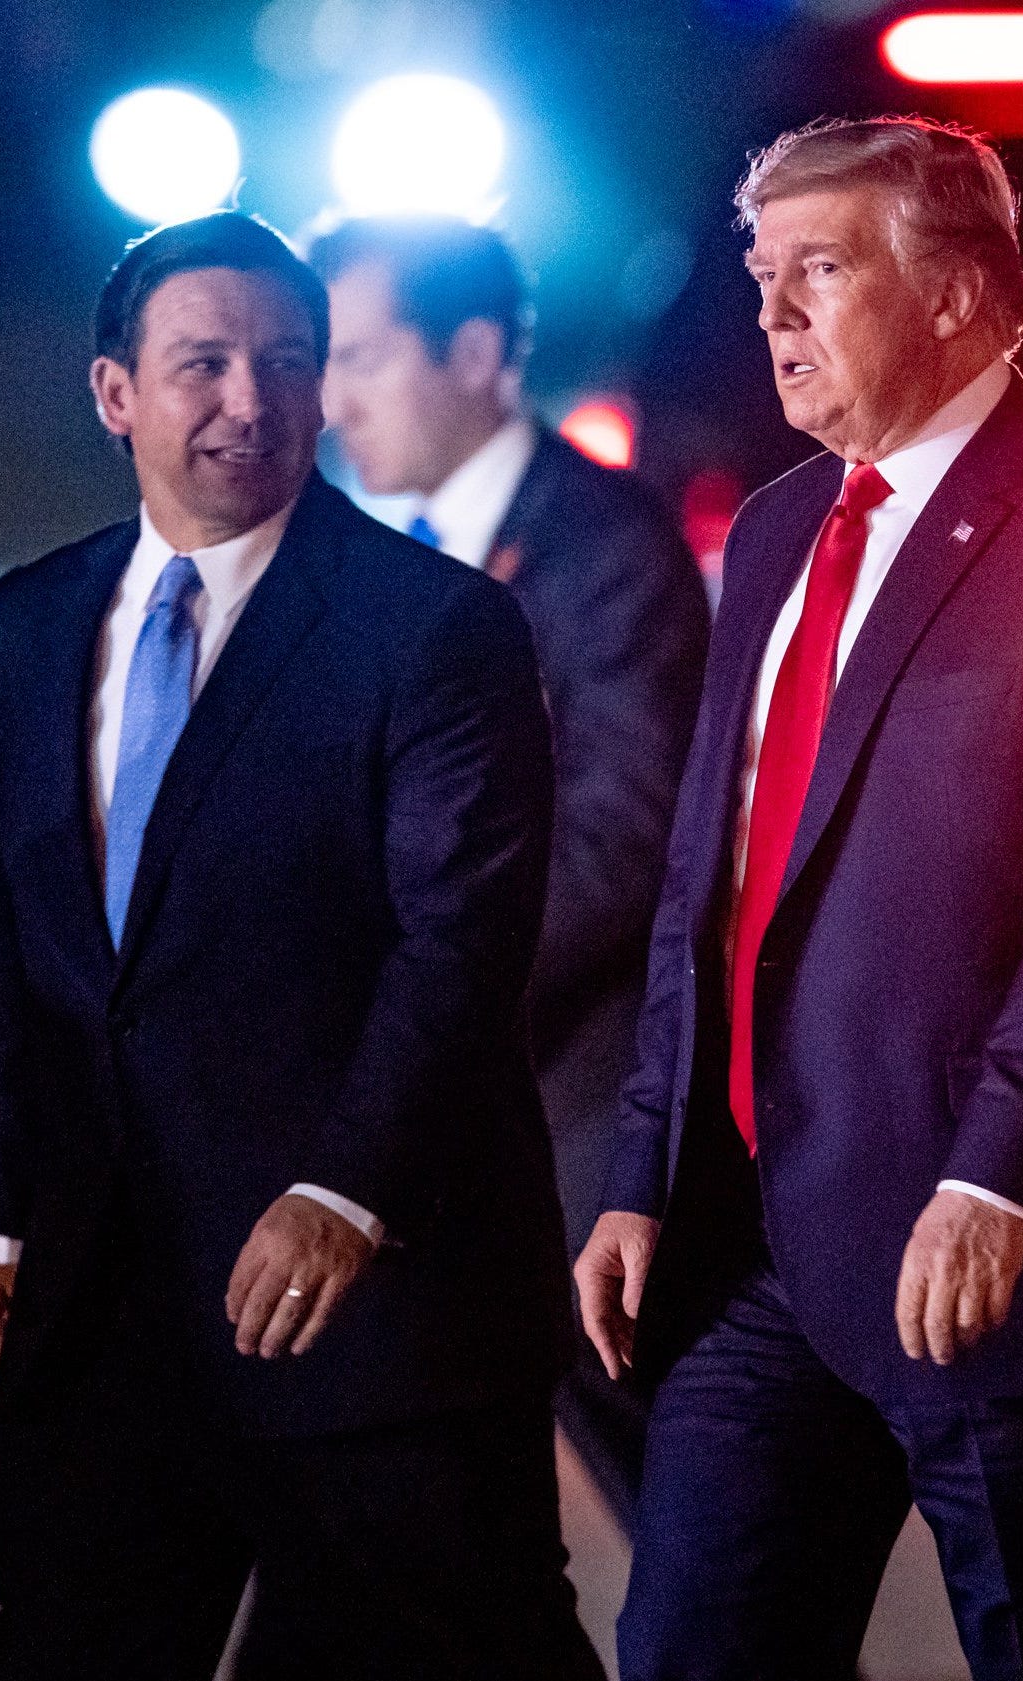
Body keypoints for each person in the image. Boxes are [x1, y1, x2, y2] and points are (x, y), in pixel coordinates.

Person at [575, 117, 1023, 1679]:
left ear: (955, 296)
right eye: (760, 278)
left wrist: (1000, 1178)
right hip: (756, 1243)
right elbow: (711, 877)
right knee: (690, 1645)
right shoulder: (768, 535)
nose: (771, 318)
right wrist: (642, 1168)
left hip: (1000, 1247)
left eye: (817, 271)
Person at [0, 210, 604, 1681]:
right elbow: (20, 934)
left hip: (370, 1320)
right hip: (106, 1307)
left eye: (287, 362)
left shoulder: (434, 627)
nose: (252, 398)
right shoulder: (38, 620)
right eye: (205, 363)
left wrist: (343, 1187)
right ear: (114, 393)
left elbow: (458, 940)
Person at [310, 216, 709, 1521]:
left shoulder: (602, 546)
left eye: (361, 354)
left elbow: (624, 829)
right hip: (437, 1112)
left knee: (691, 1522)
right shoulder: (376, 563)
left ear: (476, 352)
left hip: (574, 1109)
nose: (331, 396)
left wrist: (427, 998)